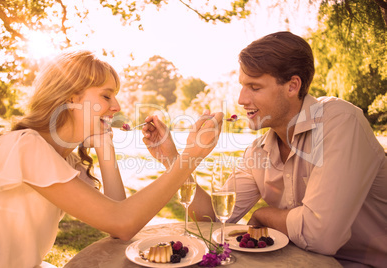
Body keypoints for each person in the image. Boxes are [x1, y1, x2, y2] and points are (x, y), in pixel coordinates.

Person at [155, 32, 387, 267]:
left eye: (254, 87)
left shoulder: (340, 122)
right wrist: (175, 159)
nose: (241, 99)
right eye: (243, 86)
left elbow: (320, 235)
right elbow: (211, 218)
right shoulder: (258, 151)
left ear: (292, 86)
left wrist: (265, 215)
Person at [0, 50, 224, 268]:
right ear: (72, 98)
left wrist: (104, 144)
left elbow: (118, 224)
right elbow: (122, 222)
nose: (117, 106)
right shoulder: (25, 146)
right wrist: (191, 156)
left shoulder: (64, 159)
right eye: (106, 96)